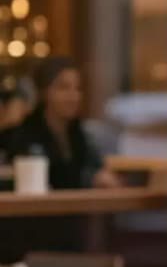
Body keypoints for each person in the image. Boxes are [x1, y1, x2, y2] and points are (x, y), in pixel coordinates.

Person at [5, 56, 119, 190]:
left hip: (81, 209)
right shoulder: (21, 136)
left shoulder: (83, 136)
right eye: (63, 88)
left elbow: (97, 171)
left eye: (78, 88)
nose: (73, 96)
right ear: (44, 91)